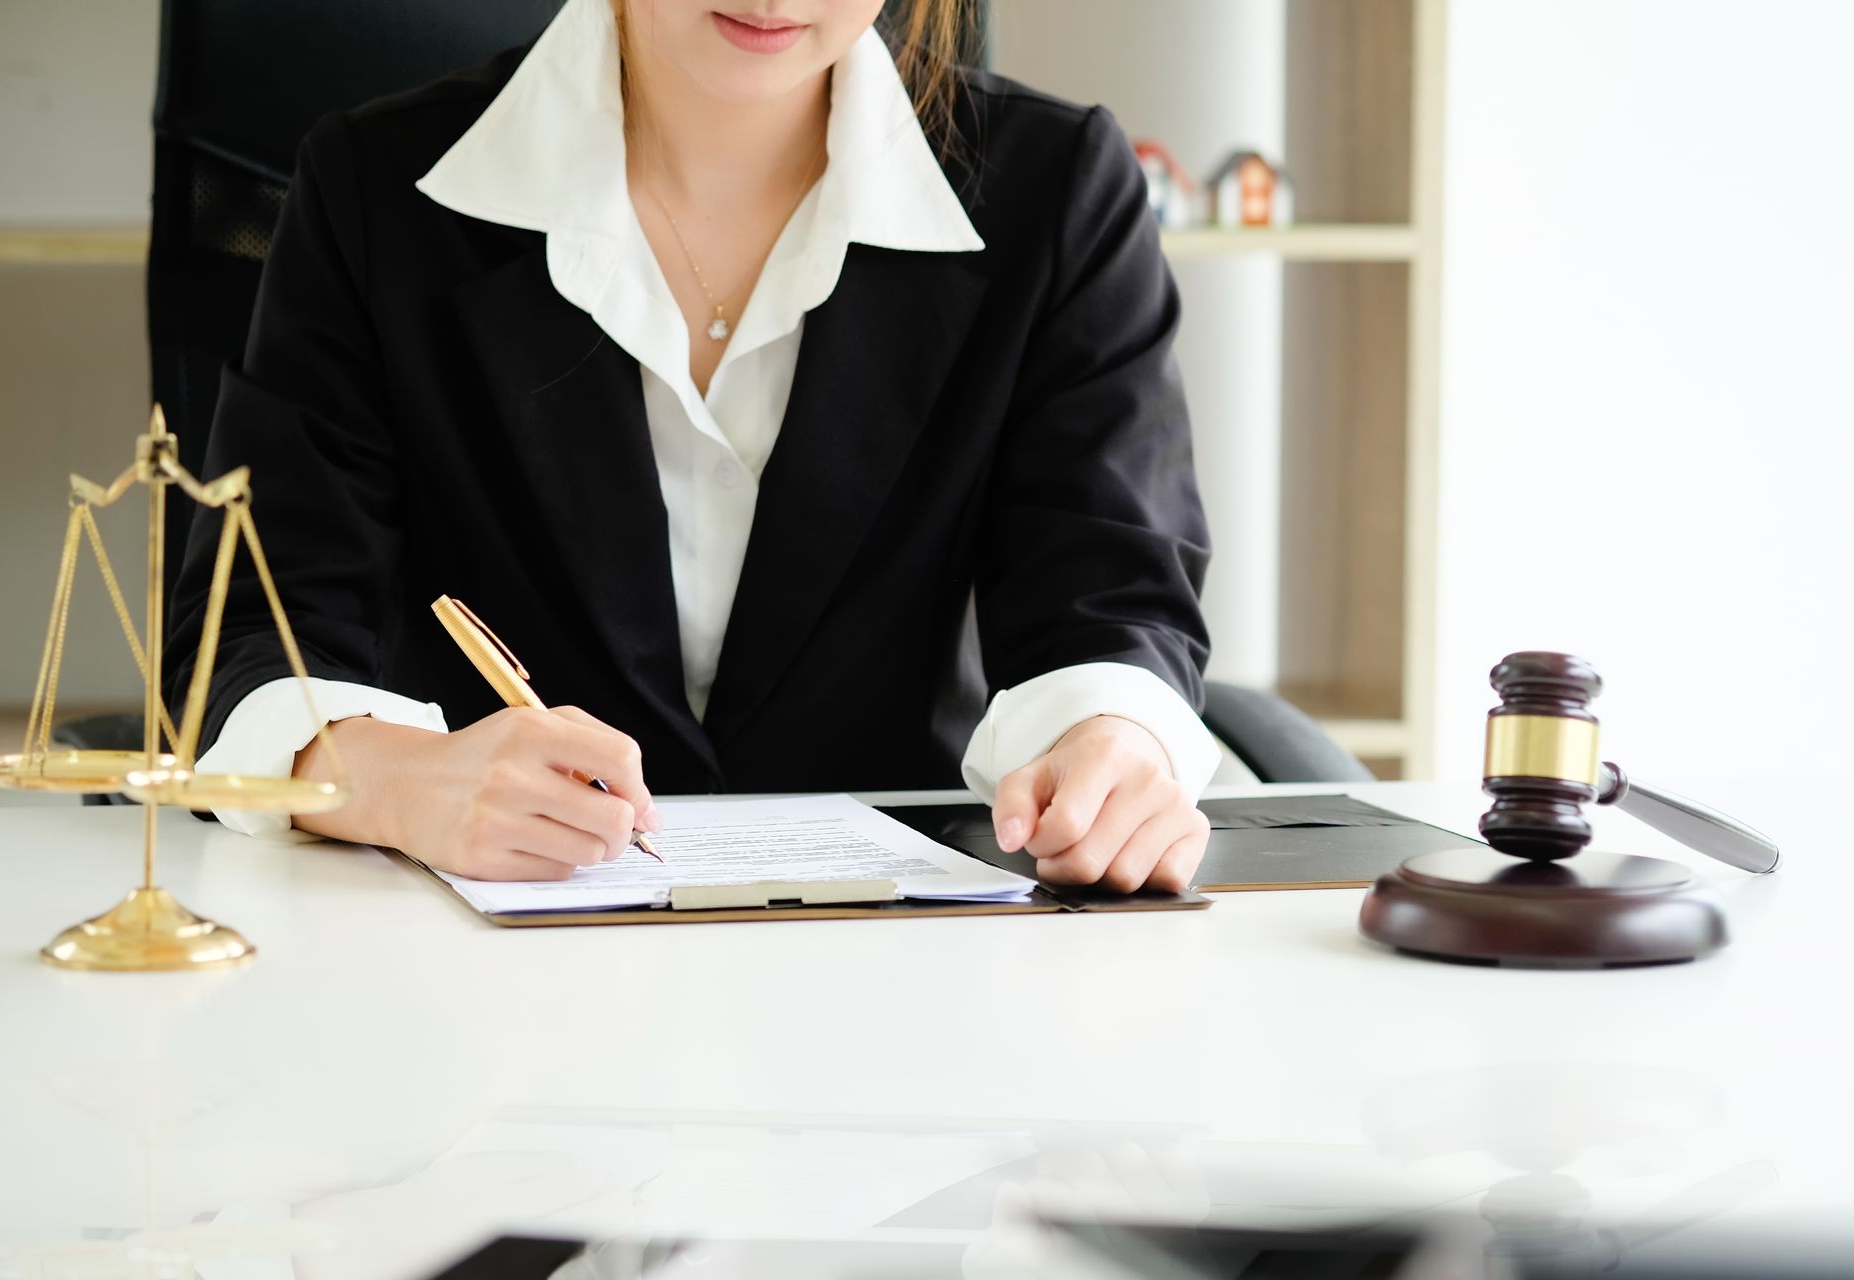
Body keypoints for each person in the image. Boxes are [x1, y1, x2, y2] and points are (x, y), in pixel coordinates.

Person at [169, 0, 1222, 890]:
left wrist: (1113, 741)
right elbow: (257, 624)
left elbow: (1112, 597)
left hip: (903, 958)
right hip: (489, 957)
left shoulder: (1060, 192)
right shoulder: (372, 191)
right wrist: (396, 777)